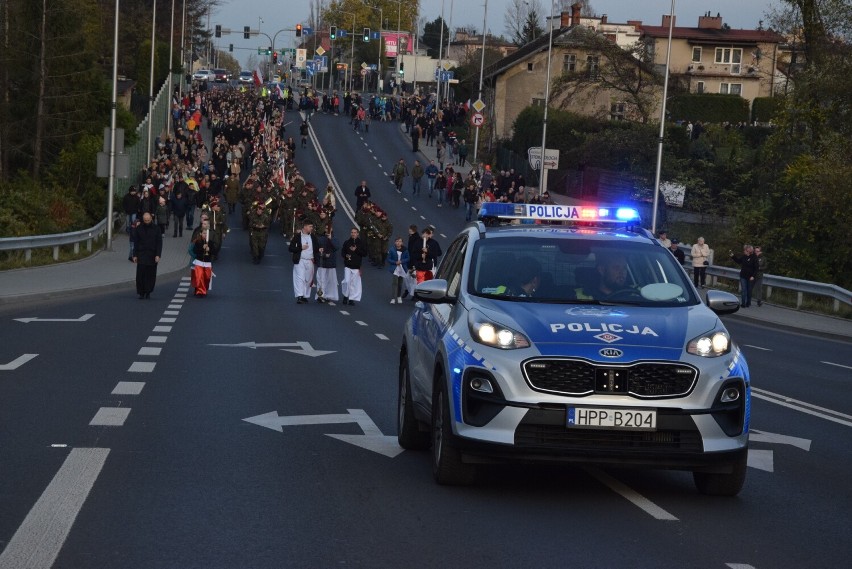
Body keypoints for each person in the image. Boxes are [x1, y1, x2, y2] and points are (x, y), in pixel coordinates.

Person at [289, 218, 320, 304]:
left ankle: (305, 295)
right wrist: (300, 248)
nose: (311, 228)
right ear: (305, 227)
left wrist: (320, 250)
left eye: (312, 227)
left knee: (308, 279)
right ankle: (299, 295)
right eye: (310, 226)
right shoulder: (297, 236)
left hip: (310, 260)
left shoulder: (313, 237)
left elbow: (316, 247)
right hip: (300, 260)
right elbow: (290, 248)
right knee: (300, 278)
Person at [132, 212, 162, 299]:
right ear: (143, 220)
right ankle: (141, 292)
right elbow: (136, 242)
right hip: (141, 254)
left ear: (151, 219)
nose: (147, 221)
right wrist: (134, 255)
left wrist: (158, 255)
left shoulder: (156, 229)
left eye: (148, 220)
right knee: (140, 275)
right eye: (145, 220)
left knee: (151, 274)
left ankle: (148, 291)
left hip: (152, 255)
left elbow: (159, 243)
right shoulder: (139, 228)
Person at [190, 217, 220, 297]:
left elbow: (215, 252)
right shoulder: (198, 242)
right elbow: (195, 251)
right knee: (199, 276)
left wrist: (209, 249)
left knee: (207, 277)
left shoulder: (210, 242)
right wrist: (201, 248)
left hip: (207, 262)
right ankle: (200, 292)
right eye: (203, 233)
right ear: (201, 234)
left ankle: (204, 288)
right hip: (199, 261)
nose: (205, 235)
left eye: (206, 234)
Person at [341, 227, 367, 306]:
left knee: (354, 284)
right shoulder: (347, 242)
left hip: (356, 266)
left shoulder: (361, 243)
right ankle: (345, 296)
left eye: (355, 232)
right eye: (352, 232)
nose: (353, 234)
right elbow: (343, 252)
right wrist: (346, 256)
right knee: (346, 281)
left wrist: (356, 250)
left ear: (357, 233)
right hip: (348, 266)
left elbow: (364, 254)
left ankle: (351, 299)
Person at [315, 226, 339, 304]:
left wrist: (330, 238)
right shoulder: (320, 238)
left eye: (329, 228)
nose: (327, 229)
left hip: (331, 263)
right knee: (321, 281)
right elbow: (316, 250)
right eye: (326, 228)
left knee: (331, 281)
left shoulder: (334, 238)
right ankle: (320, 296)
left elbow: (336, 247)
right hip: (322, 262)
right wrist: (323, 254)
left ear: (332, 229)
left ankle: (328, 295)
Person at [387, 237, 410, 304]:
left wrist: (401, 261)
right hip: (395, 268)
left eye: (400, 241)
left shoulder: (405, 250)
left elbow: (408, 258)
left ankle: (399, 296)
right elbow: (389, 259)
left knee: (400, 283)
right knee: (395, 283)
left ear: (402, 243)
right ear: (395, 242)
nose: (398, 243)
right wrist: (395, 262)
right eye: (397, 241)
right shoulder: (392, 250)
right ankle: (393, 298)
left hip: (402, 268)